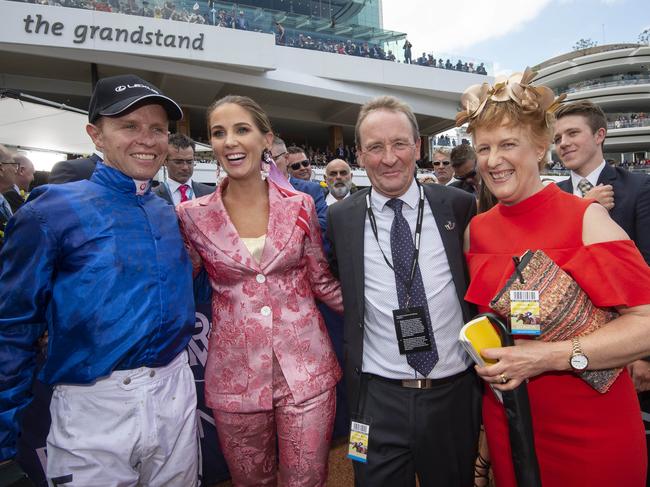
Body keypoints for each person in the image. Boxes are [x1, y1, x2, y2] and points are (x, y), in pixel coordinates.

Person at [0, 74, 199, 486]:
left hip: (175, 390)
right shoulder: (50, 212)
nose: (147, 139)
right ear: (96, 135)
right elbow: (12, 328)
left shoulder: (166, 207)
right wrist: (3, 448)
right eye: (129, 126)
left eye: (157, 129)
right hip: (93, 405)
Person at [458, 68, 650, 487]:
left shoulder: (587, 219)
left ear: (541, 146)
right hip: (511, 424)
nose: (493, 160)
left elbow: (647, 323)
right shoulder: (478, 231)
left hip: (592, 429)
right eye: (483, 147)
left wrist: (547, 357)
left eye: (509, 144)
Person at [176, 95, 343, 486]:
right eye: (219, 133)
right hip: (235, 378)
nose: (230, 141)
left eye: (241, 130)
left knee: (306, 480)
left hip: (307, 371)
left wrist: (378, 315)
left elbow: (321, 282)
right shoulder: (190, 215)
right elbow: (177, 287)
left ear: (266, 139)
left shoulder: (300, 205)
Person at [327, 95, 480, 487]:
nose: (389, 158)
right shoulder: (341, 218)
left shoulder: (460, 206)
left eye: (399, 144)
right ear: (360, 155)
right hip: (377, 399)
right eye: (375, 147)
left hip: (452, 394)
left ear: (417, 147)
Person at [554, 100, 650, 264]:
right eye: (557, 139)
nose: (563, 143)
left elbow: (644, 264)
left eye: (573, 133)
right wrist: (584, 210)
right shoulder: (552, 195)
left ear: (599, 135)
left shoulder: (639, 188)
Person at [154, 133, 214, 204]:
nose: (185, 167)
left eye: (189, 161)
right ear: (165, 161)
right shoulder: (153, 197)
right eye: (178, 162)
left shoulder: (210, 194)